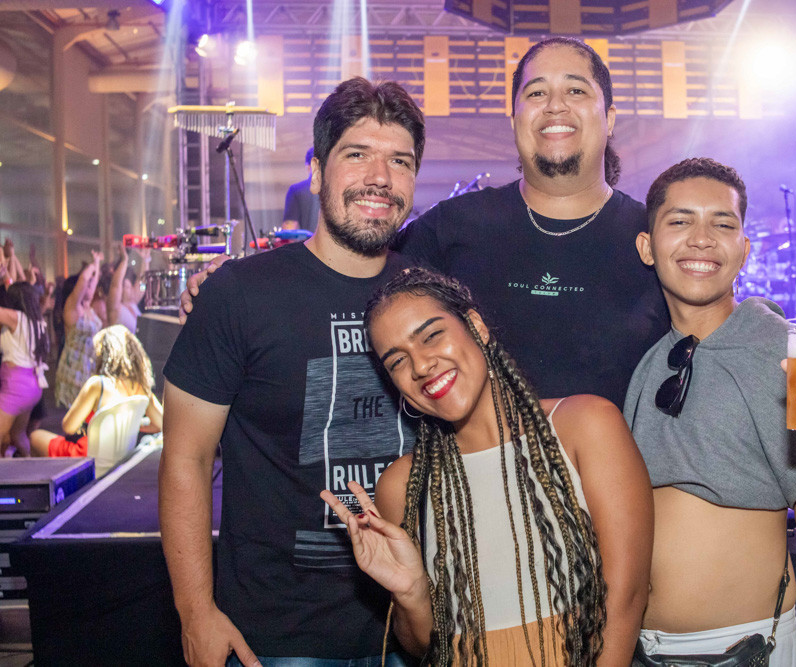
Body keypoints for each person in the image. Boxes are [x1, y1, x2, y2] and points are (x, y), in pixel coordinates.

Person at [182, 39, 667, 409]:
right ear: (514, 117)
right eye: (536, 92)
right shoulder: (452, 228)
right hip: (477, 499)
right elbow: (347, 269)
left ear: (610, 117)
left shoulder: (657, 239)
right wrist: (235, 286)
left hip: (621, 500)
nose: (555, 105)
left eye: (576, 90)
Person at [159, 77, 425, 667]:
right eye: (357, 154)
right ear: (317, 171)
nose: (380, 177)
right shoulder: (239, 295)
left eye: (400, 161)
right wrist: (195, 611)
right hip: (275, 638)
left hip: (410, 631)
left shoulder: (429, 297)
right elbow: (186, 458)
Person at [322, 267, 652, 665]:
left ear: (476, 327)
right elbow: (423, 647)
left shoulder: (585, 425)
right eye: (397, 361)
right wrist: (411, 593)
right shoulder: (401, 484)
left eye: (431, 336)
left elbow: (627, 596)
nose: (421, 366)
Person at [624, 158, 796, 665]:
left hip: (745, 650)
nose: (702, 239)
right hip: (643, 651)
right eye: (680, 221)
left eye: (723, 224)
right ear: (647, 247)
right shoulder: (647, 363)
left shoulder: (784, 355)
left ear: (745, 250)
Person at [30, 324, 162, 457]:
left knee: (35, 436)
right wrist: (132, 425)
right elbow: (162, 424)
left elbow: (69, 427)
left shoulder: (98, 384)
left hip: (90, 455)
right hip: (123, 457)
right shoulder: (141, 388)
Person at [0, 282, 49, 457]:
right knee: (18, 434)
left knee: (3, 436)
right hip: (33, 387)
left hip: (16, 387)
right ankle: (30, 464)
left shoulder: (16, 318)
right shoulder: (38, 322)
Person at [54, 251, 103, 408]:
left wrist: (97, 263)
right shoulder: (72, 308)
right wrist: (91, 266)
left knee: (88, 416)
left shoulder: (87, 307)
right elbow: (83, 280)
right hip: (74, 370)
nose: (90, 286)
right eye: (87, 285)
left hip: (88, 368)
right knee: (77, 417)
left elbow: (92, 282)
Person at [282, 146, 321, 233]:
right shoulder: (339, 190)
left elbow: (289, 230)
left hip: (309, 241)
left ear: (308, 166)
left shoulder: (296, 190)